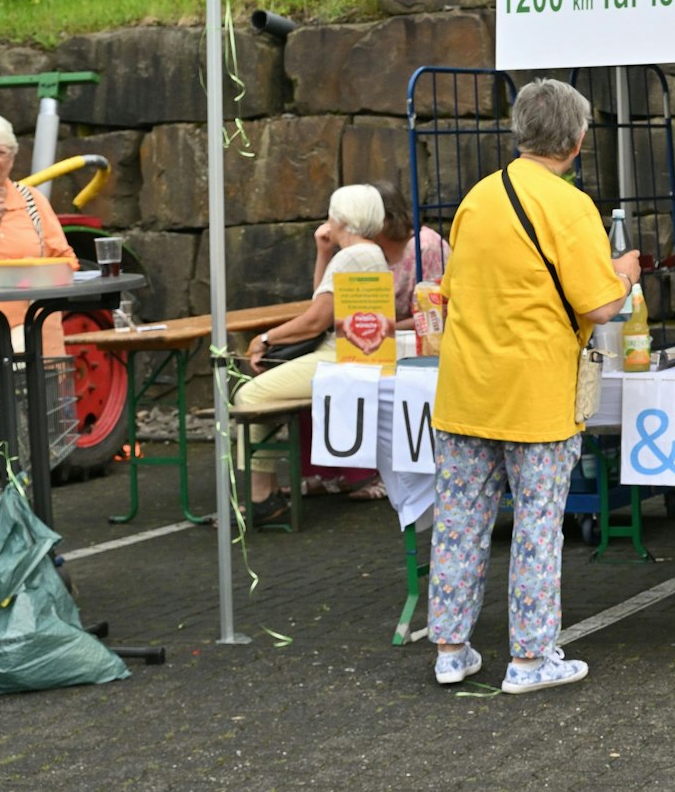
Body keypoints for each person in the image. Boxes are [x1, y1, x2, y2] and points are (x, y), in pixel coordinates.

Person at [428, 79, 640, 695]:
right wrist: (623, 274)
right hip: (536, 392)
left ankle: (449, 648)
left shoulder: (477, 198)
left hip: (467, 386)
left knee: (461, 522)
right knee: (538, 525)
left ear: (520, 130)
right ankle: (530, 657)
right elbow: (600, 305)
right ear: (576, 142)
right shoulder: (571, 206)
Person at [237, 184, 391, 522]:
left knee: (251, 395)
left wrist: (265, 338)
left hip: (338, 356)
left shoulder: (352, 255)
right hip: (352, 354)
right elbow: (321, 302)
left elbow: (316, 320)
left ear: (341, 218)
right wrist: (323, 253)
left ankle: (263, 494)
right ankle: (264, 495)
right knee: (263, 395)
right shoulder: (366, 252)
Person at [0, 113, 78, 486]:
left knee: (30, 434)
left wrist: (35, 273)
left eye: (1, 153)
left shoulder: (31, 202)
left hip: (27, 334)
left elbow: (66, 258)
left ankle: (21, 498)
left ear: (13, 157)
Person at [373, 180, 450, 323]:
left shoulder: (426, 247)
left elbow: (436, 312)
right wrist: (324, 252)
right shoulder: (369, 249)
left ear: (388, 218)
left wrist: (389, 328)